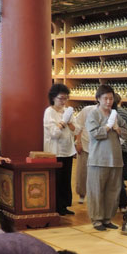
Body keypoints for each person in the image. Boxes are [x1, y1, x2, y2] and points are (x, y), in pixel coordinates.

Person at [85, 85, 127, 230]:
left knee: (113, 191)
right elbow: (94, 133)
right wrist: (108, 127)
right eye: (105, 98)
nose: (109, 102)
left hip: (115, 159)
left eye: (111, 98)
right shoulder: (94, 115)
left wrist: (118, 128)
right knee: (96, 191)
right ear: (98, 99)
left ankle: (107, 218)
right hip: (98, 160)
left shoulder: (115, 115)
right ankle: (97, 220)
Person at [43, 84, 76, 216]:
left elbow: (76, 129)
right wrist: (63, 122)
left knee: (66, 179)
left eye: (65, 98)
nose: (63, 101)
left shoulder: (67, 111)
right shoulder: (49, 112)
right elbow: (54, 133)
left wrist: (68, 122)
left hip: (68, 150)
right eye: (61, 98)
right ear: (53, 98)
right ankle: (56, 206)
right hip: (55, 151)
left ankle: (64, 205)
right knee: (56, 179)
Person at [73, 97, 98, 204]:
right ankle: (82, 194)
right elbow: (79, 126)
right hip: (85, 144)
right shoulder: (87, 110)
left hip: (99, 148)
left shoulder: (109, 113)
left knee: (97, 173)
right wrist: (78, 142)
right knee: (82, 171)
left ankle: (95, 195)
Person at [114, 91, 127, 210]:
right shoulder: (125, 112)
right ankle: (122, 201)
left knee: (116, 175)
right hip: (123, 146)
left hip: (114, 147)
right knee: (120, 174)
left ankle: (120, 200)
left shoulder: (111, 113)